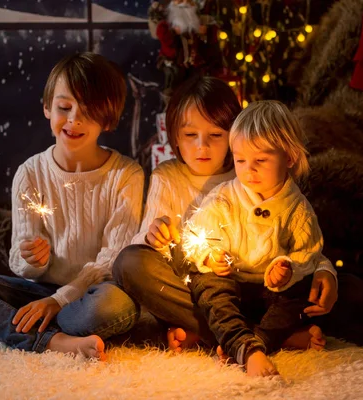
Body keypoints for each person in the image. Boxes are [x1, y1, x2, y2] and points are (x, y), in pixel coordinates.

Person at [0, 52, 144, 361]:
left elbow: (112, 259)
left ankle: (0, 322)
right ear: (47, 107)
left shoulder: (126, 175)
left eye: (88, 110)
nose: (74, 119)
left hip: (88, 297)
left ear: (107, 118)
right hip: (37, 292)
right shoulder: (30, 173)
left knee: (109, 308)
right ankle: (53, 341)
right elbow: (20, 260)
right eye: (64, 107)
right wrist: (32, 259)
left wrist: (60, 301)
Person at [113, 78, 339, 355]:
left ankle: (222, 333)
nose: (202, 147)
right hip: (201, 290)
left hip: (257, 288)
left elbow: (302, 236)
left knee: (346, 291)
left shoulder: (250, 172)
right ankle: (266, 335)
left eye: (216, 135)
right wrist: (153, 235)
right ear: (174, 138)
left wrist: (325, 270)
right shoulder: (167, 176)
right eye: (190, 135)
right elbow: (143, 248)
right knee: (130, 263)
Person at [183, 100, 336, 377]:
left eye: (260, 161)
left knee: (306, 293)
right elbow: (194, 234)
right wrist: (209, 256)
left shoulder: (298, 210)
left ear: (289, 158)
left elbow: (308, 253)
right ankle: (255, 342)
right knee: (204, 283)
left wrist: (288, 269)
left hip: (271, 297)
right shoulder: (224, 197)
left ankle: (256, 342)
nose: (248, 170)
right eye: (240, 160)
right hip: (232, 289)